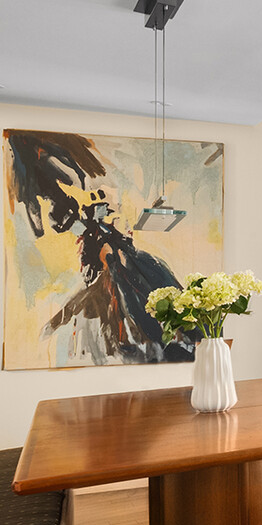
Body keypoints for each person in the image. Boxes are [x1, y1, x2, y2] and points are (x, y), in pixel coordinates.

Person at [7, 130, 194, 363]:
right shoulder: (90, 231)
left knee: (148, 284)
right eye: (100, 202)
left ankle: (175, 333)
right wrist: (108, 254)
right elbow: (86, 242)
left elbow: (116, 240)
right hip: (112, 267)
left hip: (124, 262)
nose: (104, 205)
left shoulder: (110, 232)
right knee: (129, 298)